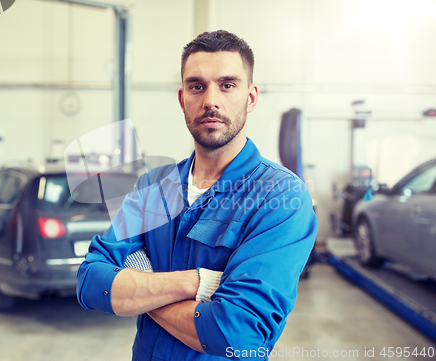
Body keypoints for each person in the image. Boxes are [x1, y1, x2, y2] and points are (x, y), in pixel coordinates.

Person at [77, 30, 317, 360]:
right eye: (197, 86)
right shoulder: (153, 186)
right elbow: (91, 281)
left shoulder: (281, 197)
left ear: (251, 97)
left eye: (227, 85)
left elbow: (238, 333)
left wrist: (142, 290)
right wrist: (198, 282)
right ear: (182, 99)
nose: (211, 101)